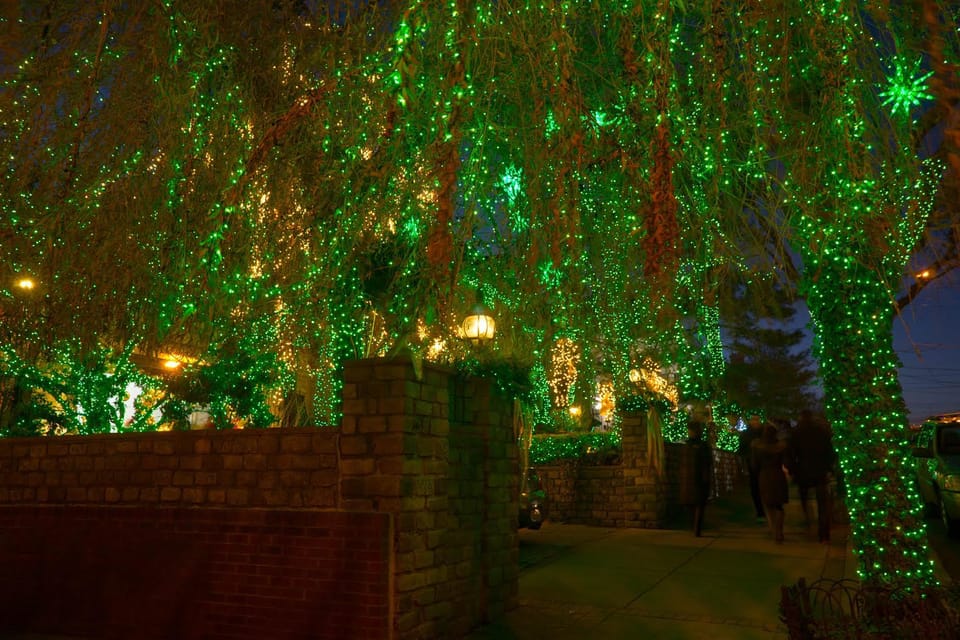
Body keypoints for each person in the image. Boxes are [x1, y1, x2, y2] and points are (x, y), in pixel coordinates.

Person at [786, 410, 837, 543]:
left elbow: (791, 454)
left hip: (803, 470)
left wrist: (792, 470)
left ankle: (807, 523)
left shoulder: (796, 433)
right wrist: (829, 468)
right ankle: (823, 534)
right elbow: (830, 452)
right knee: (822, 503)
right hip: (820, 470)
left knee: (804, 498)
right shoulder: (821, 432)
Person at [752, 423, 789, 543]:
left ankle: (773, 529)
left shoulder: (757, 446)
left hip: (764, 475)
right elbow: (787, 461)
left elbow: (754, 465)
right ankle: (779, 531)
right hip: (778, 475)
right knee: (779, 505)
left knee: (768, 504)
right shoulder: (781, 446)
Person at [679, 421, 713, 537]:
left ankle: (696, 527)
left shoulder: (699, 446)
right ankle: (695, 526)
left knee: (697, 504)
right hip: (691, 478)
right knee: (694, 504)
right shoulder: (689, 445)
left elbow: (707, 463)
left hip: (696, 478)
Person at [738, 414, 766, 520]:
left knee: (762, 487)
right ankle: (760, 510)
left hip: (764, 464)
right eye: (753, 420)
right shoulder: (746, 434)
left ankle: (764, 509)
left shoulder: (764, 433)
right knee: (755, 487)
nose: (755, 422)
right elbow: (741, 449)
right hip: (752, 464)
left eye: (757, 420)